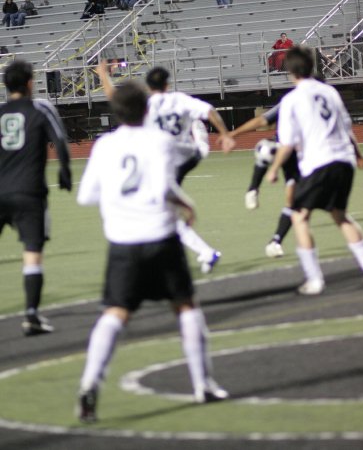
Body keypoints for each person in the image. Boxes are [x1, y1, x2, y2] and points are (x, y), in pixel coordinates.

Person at [76, 82, 229, 422]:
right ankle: (203, 384)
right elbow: (163, 187)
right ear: (147, 109)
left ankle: (89, 383)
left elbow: (86, 196)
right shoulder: (159, 141)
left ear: (115, 112)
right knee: (186, 306)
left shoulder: (104, 145)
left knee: (115, 312)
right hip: (160, 237)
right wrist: (185, 203)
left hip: (122, 243)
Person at [266, 45, 363, 295]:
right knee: (340, 215)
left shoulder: (291, 100)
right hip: (344, 161)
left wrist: (274, 168)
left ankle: (314, 279)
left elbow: (287, 144)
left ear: (289, 70)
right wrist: (359, 155)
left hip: (319, 163)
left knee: (299, 217)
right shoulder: (330, 92)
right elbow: (347, 127)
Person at [96, 62, 235, 273]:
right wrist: (224, 134)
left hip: (164, 161)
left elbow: (113, 96)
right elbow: (209, 111)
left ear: (148, 86)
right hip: (186, 157)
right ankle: (199, 141)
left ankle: (202, 253)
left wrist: (103, 75)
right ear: (167, 84)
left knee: (161, 210)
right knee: (162, 209)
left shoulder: (146, 104)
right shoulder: (179, 99)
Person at [0, 61, 72, 335]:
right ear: (30, 82)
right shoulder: (40, 108)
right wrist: (64, 171)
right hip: (30, 193)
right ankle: (31, 315)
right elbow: (60, 140)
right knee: (32, 254)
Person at [230, 104, 300, 258]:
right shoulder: (291, 100)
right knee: (266, 149)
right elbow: (263, 120)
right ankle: (252, 190)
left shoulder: (322, 101)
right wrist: (234, 133)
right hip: (286, 150)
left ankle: (275, 242)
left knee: (295, 202)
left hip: (307, 155)